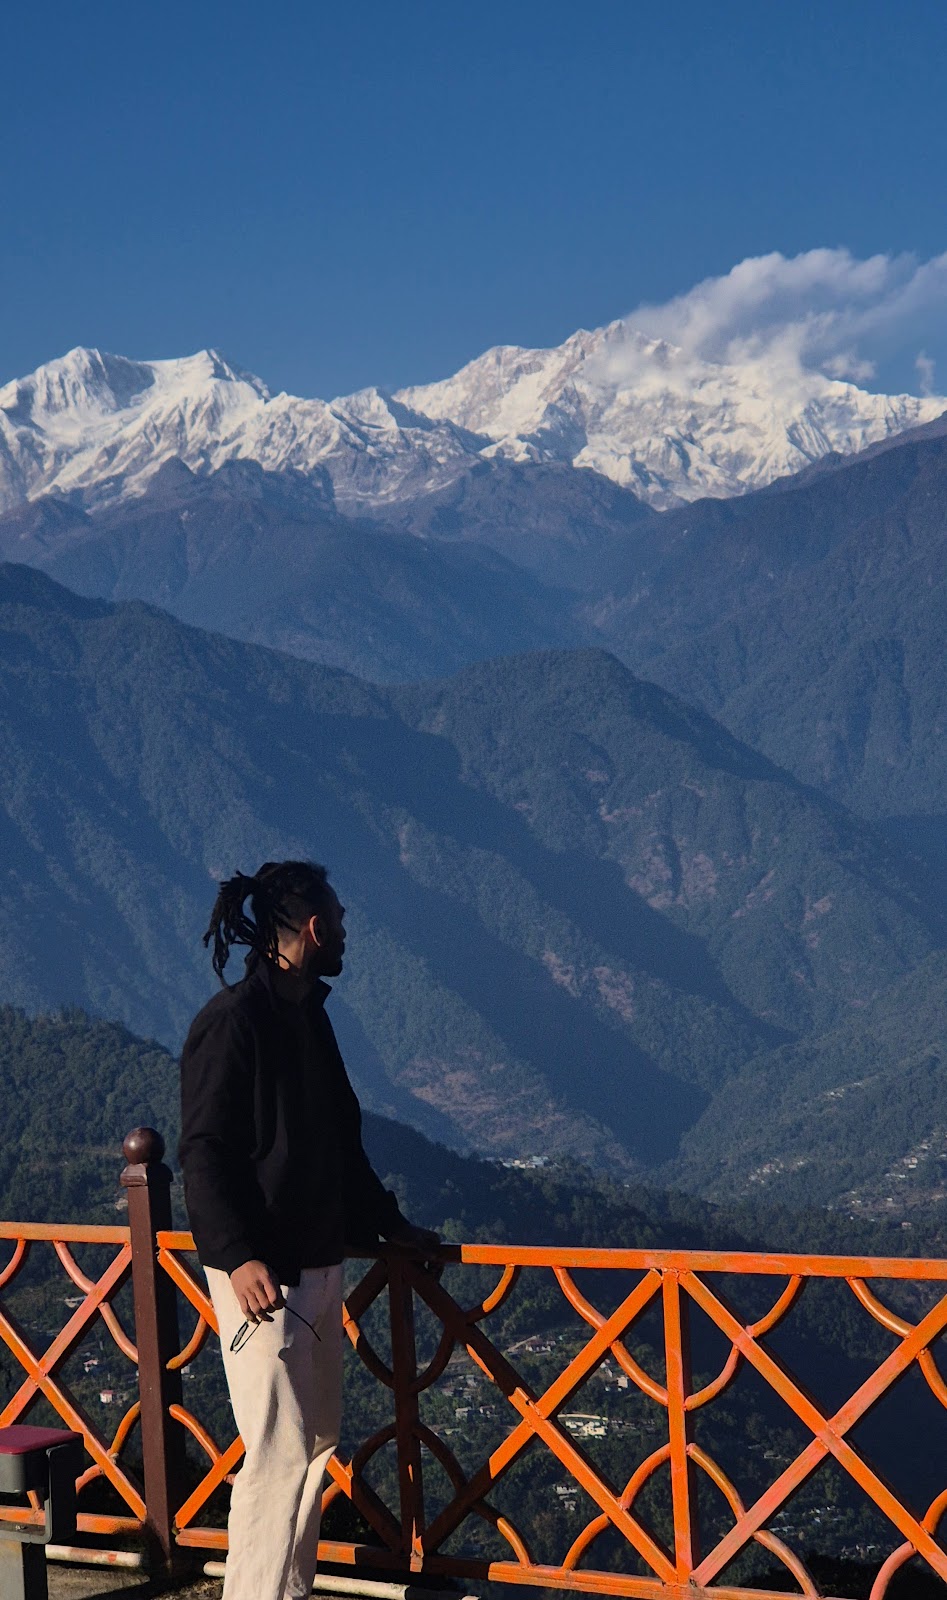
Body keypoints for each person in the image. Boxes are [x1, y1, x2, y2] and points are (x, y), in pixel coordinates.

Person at [178, 859, 439, 1600]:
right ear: (316, 929)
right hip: (262, 1281)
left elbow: (339, 1143)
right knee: (276, 1451)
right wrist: (237, 1257)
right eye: (342, 924)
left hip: (320, 1267)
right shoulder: (231, 1023)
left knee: (312, 1446)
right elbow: (203, 1150)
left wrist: (390, 1225)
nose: (348, 936)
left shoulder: (306, 1016)